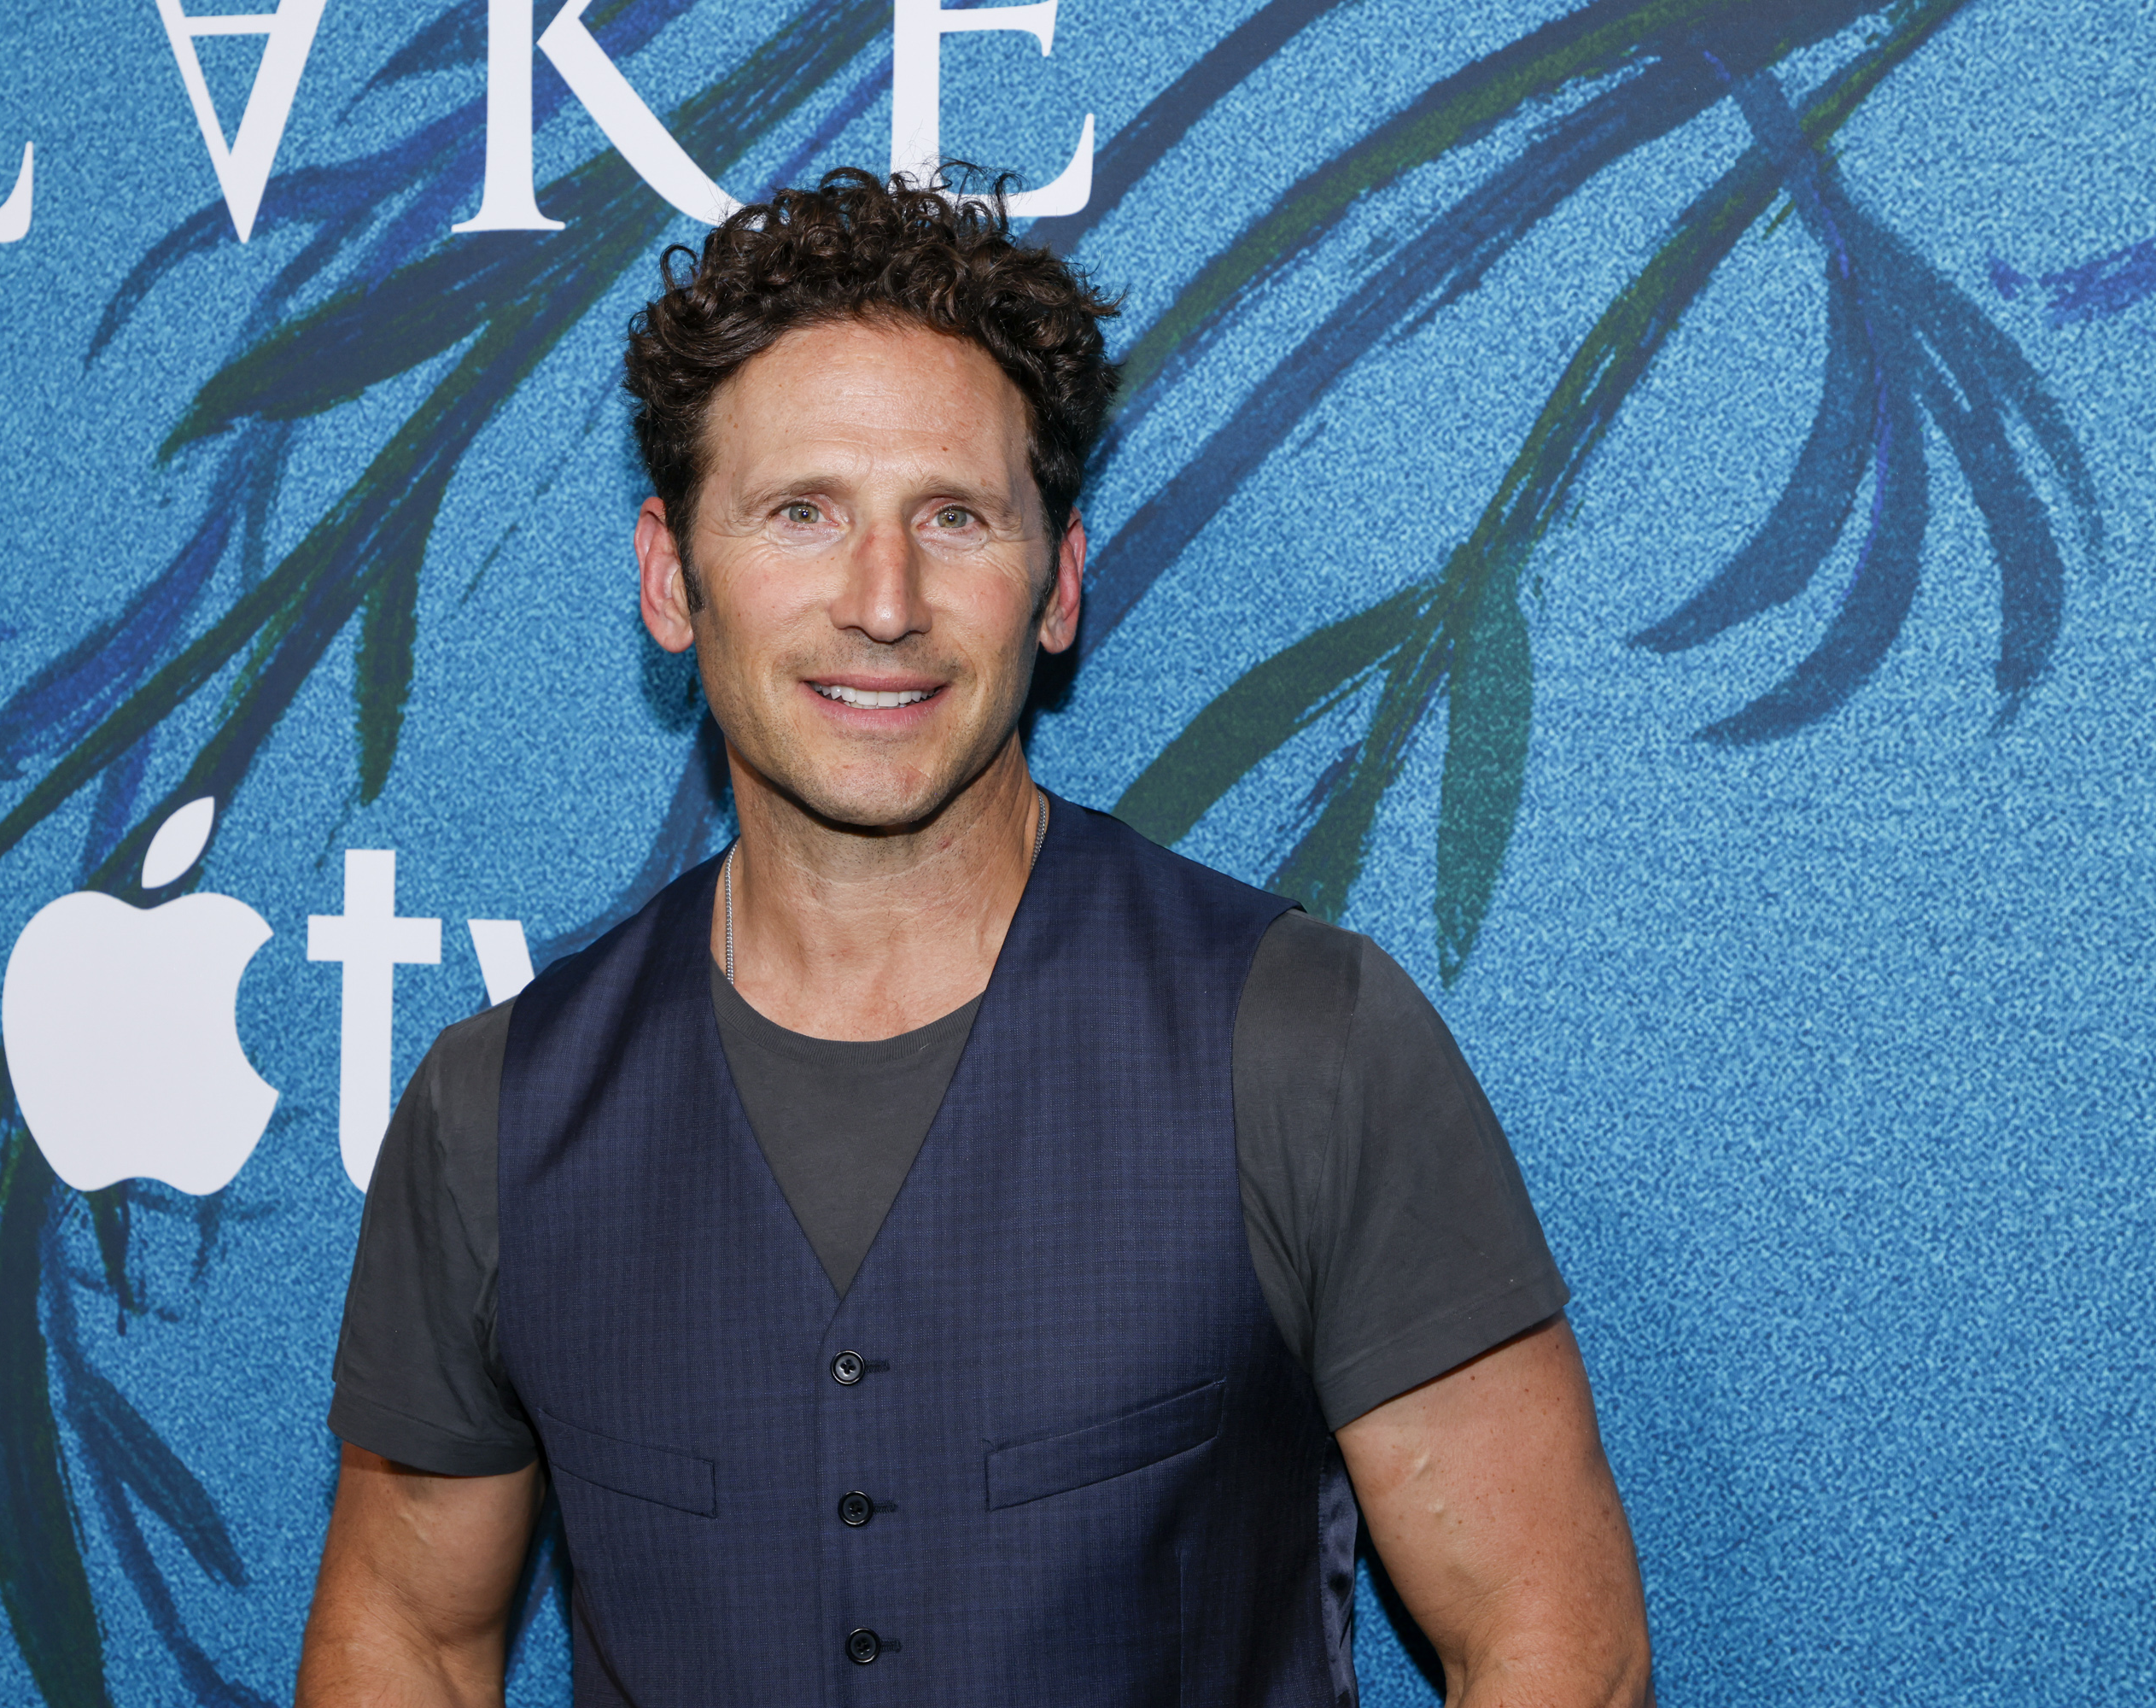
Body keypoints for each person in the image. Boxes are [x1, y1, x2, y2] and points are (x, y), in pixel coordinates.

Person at [299, 167, 1652, 1708]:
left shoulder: (1303, 1046)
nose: (884, 602)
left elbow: (1558, 1651)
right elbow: (400, 1636)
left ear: (1058, 584)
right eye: (802, 513)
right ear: (673, 580)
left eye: (953, 516)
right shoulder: (498, 1112)